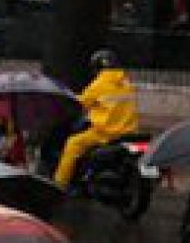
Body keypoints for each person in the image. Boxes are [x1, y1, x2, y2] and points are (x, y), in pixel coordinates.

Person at [54, 49, 140, 187]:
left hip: (105, 133)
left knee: (72, 144)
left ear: (96, 68)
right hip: (128, 133)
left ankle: (59, 184)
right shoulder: (126, 83)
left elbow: (80, 103)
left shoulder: (98, 85)